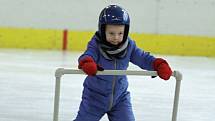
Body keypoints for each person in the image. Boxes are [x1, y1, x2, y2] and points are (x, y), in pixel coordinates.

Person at [74, 5, 172, 121]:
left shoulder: (129, 45)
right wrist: (87, 62)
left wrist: (157, 64)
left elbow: (143, 57)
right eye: (111, 33)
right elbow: (88, 55)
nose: (116, 37)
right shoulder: (96, 44)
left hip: (120, 99)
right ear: (102, 30)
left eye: (120, 33)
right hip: (94, 98)